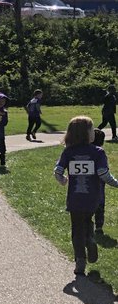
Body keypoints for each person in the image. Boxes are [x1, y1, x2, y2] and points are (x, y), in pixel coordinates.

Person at [53, 115, 118, 277]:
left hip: (75, 197)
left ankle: (80, 260)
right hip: (93, 197)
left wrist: (63, 180)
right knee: (88, 220)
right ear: (87, 133)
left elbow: (58, 171)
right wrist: (116, 183)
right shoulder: (98, 152)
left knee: (76, 228)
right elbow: (103, 174)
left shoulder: (68, 151)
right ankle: (90, 239)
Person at [93, 127, 107, 234]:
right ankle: (99, 226)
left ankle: (86, 224)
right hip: (99, 183)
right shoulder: (100, 152)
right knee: (100, 205)